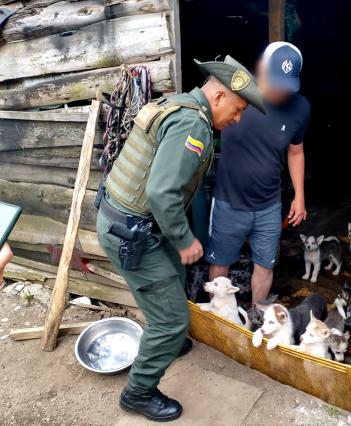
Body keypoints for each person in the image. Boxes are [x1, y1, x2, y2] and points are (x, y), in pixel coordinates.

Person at [96, 56, 264, 422]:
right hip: (131, 231)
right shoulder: (193, 124)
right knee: (171, 319)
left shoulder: (179, 103)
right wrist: (186, 240)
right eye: (237, 111)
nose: (236, 120)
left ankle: (170, 340)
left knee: (172, 279)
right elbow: (161, 194)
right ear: (218, 97)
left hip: (131, 223)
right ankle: (138, 392)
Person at [206, 42, 311, 305]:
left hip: (268, 205)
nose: (279, 91)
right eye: (275, 82)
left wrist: (299, 195)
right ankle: (217, 316)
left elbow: (295, 151)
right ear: (262, 70)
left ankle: (256, 317)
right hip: (229, 201)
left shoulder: (300, 108)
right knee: (220, 264)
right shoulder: (236, 90)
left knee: (264, 266)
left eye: (286, 85)